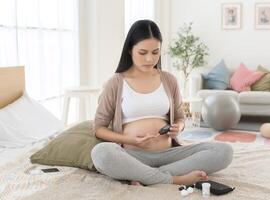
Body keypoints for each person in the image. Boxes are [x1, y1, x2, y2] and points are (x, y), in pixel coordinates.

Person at [91, 19, 233, 186]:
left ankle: (146, 176)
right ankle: (173, 178)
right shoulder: (116, 82)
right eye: (143, 52)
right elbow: (99, 128)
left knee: (224, 151)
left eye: (155, 52)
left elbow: (180, 118)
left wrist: (177, 127)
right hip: (133, 155)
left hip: (170, 154)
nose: (150, 59)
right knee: (101, 153)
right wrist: (130, 140)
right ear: (130, 50)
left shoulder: (169, 80)